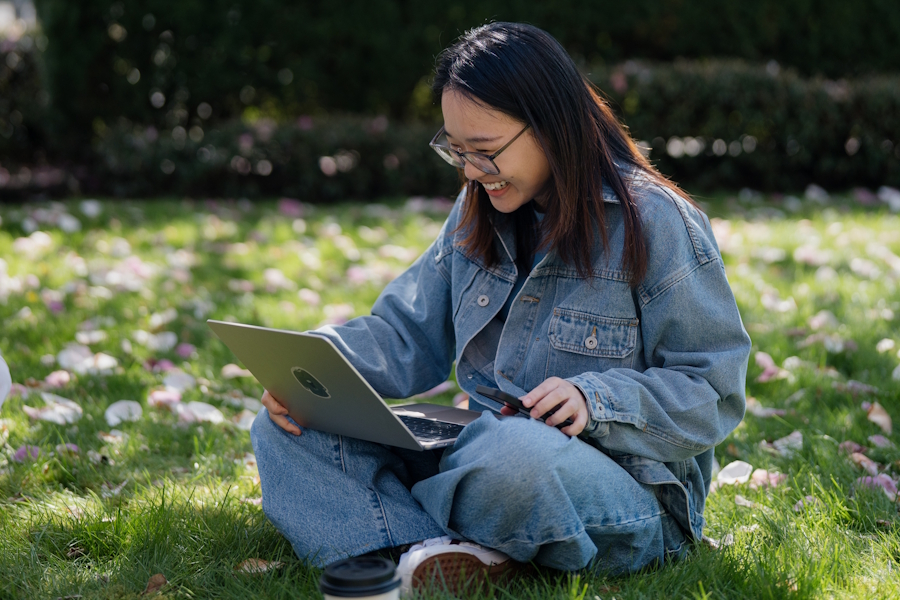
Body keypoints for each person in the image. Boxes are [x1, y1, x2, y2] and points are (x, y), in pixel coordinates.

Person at [251, 22, 750, 595]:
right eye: (456, 151)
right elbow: (405, 333)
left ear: (550, 126)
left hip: (610, 486)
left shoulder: (655, 222)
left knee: (511, 457)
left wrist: (597, 401)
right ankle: (424, 557)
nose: (469, 171)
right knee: (284, 430)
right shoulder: (476, 212)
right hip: (481, 450)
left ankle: (402, 532)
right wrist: (313, 368)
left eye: (485, 152)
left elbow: (714, 389)